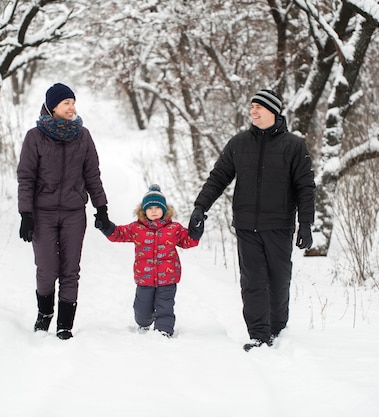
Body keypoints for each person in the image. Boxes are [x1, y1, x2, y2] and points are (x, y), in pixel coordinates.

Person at [188, 88, 315, 351]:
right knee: (252, 281)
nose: (253, 111)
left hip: (279, 225)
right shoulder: (239, 143)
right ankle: (258, 335)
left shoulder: (293, 145)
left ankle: (278, 328)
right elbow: (218, 177)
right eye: (251, 107)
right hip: (246, 225)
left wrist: (306, 223)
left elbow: (305, 187)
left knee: (278, 280)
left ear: (273, 111)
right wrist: (201, 207)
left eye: (258, 107)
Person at [17, 82, 112, 340]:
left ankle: (65, 324)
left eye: (73, 102)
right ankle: (45, 314)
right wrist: (26, 214)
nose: (72, 107)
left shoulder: (83, 136)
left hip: (73, 213)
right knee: (47, 269)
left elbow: (92, 174)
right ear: (53, 107)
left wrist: (101, 207)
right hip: (42, 213)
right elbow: (26, 177)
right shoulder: (35, 137)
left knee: (71, 269)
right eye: (66, 103)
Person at [95, 184, 202, 337]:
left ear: (164, 210)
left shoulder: (174, 228)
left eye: (157, 208)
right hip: (144, 278)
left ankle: (163, 331)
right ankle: (143, 323)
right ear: (143, 210)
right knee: (142, 310)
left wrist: (196, 232)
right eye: (150, 208)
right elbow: (118, 234)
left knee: (165, 307)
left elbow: (187, 241)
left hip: (168, 278)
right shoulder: (136, 228)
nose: (153, 211)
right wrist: (106, 226)